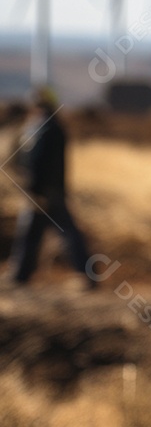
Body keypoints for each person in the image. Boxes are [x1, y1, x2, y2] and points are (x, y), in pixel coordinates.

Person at [8, 86, 94, 288]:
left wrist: (39, 190)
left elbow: (43, 163)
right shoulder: (40, 127)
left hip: (46, 193)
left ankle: (86, 276)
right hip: (42, 192)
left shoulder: (47, 129)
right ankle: (20, 276)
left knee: (66, 234)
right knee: (32, 233)